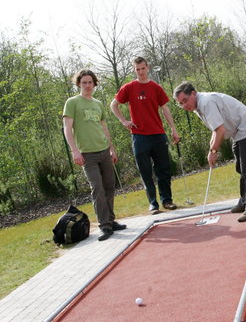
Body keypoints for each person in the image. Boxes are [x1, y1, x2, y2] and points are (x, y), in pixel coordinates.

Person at [173, 81, 246, 222]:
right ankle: (245, 200)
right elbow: (215, 130)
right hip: (238, 131)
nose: (184, 105)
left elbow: (220, 130)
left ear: (193, 93)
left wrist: (214, 151)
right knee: (241, 167)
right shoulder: (198, 107)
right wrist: (211, 149)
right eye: (180, 103)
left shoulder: (206, 102)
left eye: (185, 100)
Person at [63, 69, 127, 242]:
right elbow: (67, 128)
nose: (87, 85)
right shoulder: (72, 102)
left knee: (109, 186)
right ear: (78, 84)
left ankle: (111, 221)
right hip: (87, 154)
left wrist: (112, 148)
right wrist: (74, 151)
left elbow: (104, 127)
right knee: (97, 188)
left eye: (90, 82)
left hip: (104, 150)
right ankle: (104, 226)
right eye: (84, 82)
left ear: (94, 83)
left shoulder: (98, 104)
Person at [110, 57, 179, 215]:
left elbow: (165, 109)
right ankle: (153, 204)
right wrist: (123, 121)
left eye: (143, 68)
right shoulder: (129, 87)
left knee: (163, 169)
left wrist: (173, 129)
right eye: (137, 69)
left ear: (148, 68)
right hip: (139, 136)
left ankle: (167, 200)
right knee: (145, 170)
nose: (140, 72)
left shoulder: (156, 87)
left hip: (158, 134)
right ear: (134, 70)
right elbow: (113, 105)